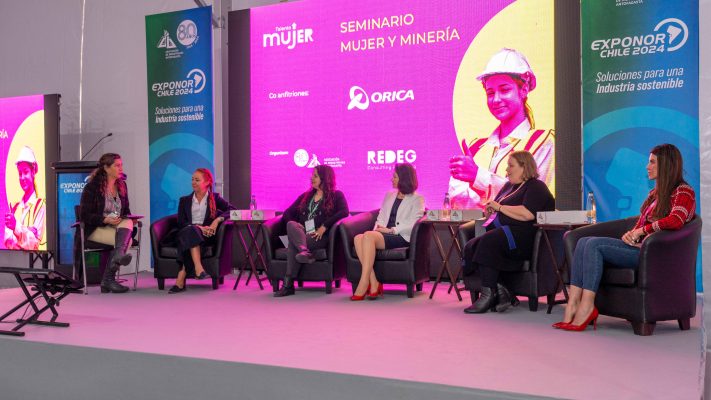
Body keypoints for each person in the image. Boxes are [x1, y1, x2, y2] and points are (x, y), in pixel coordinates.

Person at [555, 144, 696, 331]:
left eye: (652, 162)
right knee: (583, 241)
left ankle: (587, 306)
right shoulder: (654, 194)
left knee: (594, 245)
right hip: (639, 248)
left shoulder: (683, 191)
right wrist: (631, 233)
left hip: (654, 255)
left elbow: (676, 220)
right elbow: (641, 222)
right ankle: (573, 304)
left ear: (666, 165)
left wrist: (642, 231)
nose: (647, 166)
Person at [449, 48, 554, 210]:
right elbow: (457, 201)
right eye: (490, 92)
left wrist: (478, 177)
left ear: (524, 90)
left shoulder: (543, 142)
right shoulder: (475, 147)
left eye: (505, 90)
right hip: (474, 227)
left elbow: (533, 201)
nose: (496, 99)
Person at [462, 151, 554, 313]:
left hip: (523, 238)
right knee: (471, 246)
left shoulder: (536, 186)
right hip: (502, 235)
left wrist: (500, 207)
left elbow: (527, 214)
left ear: (524, 167)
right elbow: (496, 208)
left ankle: (487, 295)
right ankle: (503, 291)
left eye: (511, 166)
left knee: (488, 242)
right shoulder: (508, 186)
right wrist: (490, 210)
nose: (507, 170)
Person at [350, 163, 425, 301]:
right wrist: (376, 230)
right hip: (383, 233)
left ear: (404, 178)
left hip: (401, 236)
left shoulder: (417, 199)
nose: (392, 179)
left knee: (367, 236)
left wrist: (391, 230)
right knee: (358, 238)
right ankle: (373, 281)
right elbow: (381, 217)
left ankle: (364, 282)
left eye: (395, 176)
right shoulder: (389, 195)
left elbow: (413, 223)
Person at [274, 165, 349, 297]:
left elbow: (344, 212)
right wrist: (297, 224)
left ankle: (288, 285)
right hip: (302, 234)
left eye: (315, 176)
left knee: (292, 244)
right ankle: (304, 250)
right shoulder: (306, 196)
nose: (311, 178)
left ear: (324, 178)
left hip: (319, 236)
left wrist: (324, 226)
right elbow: (287, 213)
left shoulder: (336, 195)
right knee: (291, 224)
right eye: (312, 175)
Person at [168, 168, 235, 293]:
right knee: (191, 231)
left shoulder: (215, 198)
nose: (193, 182)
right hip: (187, 232)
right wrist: (199, 227)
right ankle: (198, 268)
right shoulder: (184, 200)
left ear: (207, 182)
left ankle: (181, 278)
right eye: (192, 179)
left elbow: (232, 210)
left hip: (206, 236)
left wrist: (217, 221)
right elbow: (182, 223)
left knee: (189, 238)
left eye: (197, 180)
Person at [79, 153, 134, 294]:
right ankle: (109, 278)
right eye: (117, 165)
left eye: (121, 165)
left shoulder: (122, 186)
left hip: (116, 229)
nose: (121, 168)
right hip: (95, 231)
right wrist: (105, 219)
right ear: (106, 168)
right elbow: (84, 215)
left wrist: (127, 218)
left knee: (127, 224)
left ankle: (108, 279)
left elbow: (126, 211)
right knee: (126, 241)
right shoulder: (92, 188)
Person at [4, 146, 46, 250]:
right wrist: (28, 231)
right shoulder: (15, 207)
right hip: (12, 258)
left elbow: (34, 244)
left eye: (26, 172)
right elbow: (7, 241)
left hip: (32, 259)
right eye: (20, 173)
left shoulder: (40, 206)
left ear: (33, 172)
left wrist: (16, 227)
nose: (22, 177)